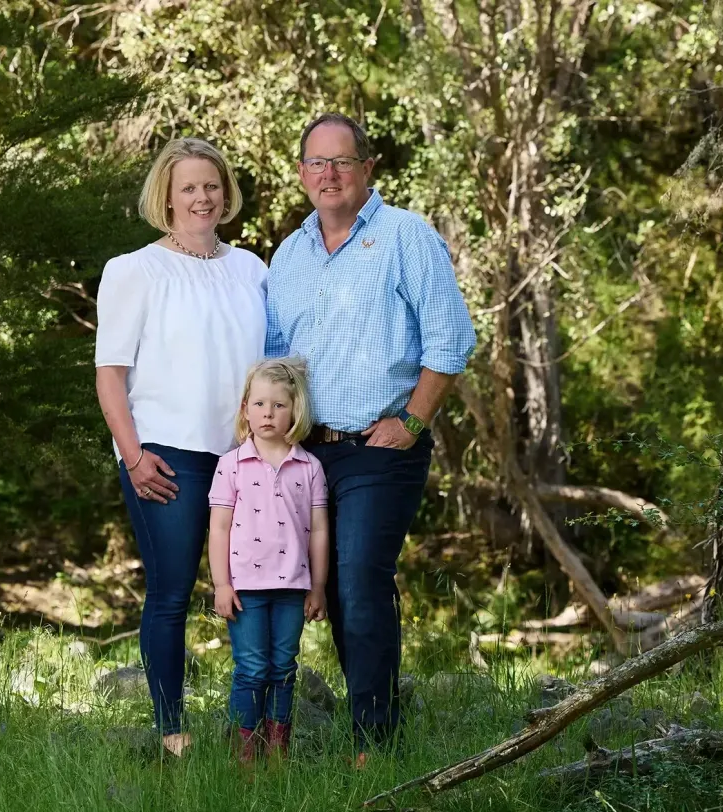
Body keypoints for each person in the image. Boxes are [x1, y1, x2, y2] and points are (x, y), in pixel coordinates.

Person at [265, 113, 477, 762]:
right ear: (301, 174)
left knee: (359, 577)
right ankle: (365, 722)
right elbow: (274, 360)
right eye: (317, 163)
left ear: (368, 168)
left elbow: (452, 340)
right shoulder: (289, 254)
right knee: (324, 591)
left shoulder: (405, 235)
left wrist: (411, 421)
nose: (330, 175)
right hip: (306, 453)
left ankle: (374, 745)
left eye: (343, 161)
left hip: (380, 447)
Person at [95, 138, 267, 757]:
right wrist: (133, 455)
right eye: (189, 187)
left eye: (212, 185)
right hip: (167, 454)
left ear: (226, 193)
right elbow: (110, 375)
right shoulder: (134, 270)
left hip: (247, 457)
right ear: (165, 195)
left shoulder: (251, 267)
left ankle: (252, 729)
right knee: (171, 591)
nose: (203, 197)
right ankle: (173, 730)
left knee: (254, 587)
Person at [207, 358, 330, 762]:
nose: (267, 413)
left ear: (295, 411)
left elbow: (319, 531)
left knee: (283, 668)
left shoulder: (309, 467)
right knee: (252, 669)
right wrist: (222, 585)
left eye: (278, 405)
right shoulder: (231, 465)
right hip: (245, 589)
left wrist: (318, 586)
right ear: (245, 408)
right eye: (259, 404)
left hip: (293, 587)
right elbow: (219, 528)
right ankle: (245, 751)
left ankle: (277, 748)